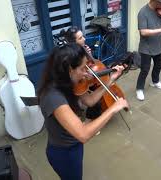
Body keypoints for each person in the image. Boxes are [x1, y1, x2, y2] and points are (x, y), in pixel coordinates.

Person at [37, 42, 128, 180]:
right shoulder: (53, 97)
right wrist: (113, 109)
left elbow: (90, 100)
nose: (87, 72)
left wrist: (110, 80)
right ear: (69, 70)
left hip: (74, 145)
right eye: (83, 68)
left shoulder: (69, 83)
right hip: (64, 152)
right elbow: (83, 134)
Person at [59, 27, 102, 123]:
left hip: (82, 80)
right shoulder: (69, 55)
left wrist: (89, 55)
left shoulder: (83, 49)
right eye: (80, 38)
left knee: (96, 94)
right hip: (72, 83)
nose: (84, 39)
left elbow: (93, 63)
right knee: (89, 98)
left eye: (83, 36)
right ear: (73, 43)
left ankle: (88, 119)